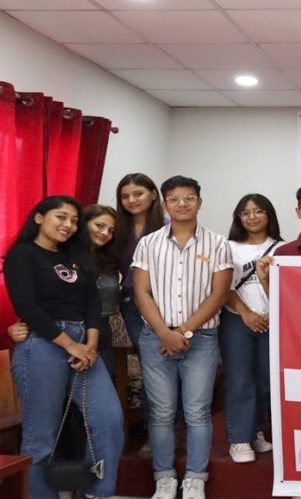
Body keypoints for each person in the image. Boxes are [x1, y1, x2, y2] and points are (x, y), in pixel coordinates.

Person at [3, 195, 124, 499]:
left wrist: (89, 347)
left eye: (73, 220)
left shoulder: (77, 256)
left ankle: (98, 493)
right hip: (43, 346)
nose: (68, 225)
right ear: (39, 217)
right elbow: (28, 308)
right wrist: (71, 346)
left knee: (109, 419)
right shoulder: (22, 255)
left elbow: (93, 306)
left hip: (84, 344)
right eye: (61, 217)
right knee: (41, 438)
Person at [131, 176, 233, 499]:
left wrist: (184, 331)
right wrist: (165, 332)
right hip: (156, 338)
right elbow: (141, 292)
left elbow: (219, 295)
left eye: (189, 198)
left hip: (201, 339)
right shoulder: (148, 243)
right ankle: (164, 477)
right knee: (161, 412)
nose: (182, 204)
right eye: (174, 199)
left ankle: (195, 478)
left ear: (199, 202)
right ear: (164, 204)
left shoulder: (218, 243)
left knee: (197, 412)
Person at [9, 204, 121, 377]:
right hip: (55, 332)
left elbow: (95, 301)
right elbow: (33, 299)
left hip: (97, 329)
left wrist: (91, 344)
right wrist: (20, 324)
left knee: (101, 390)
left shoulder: (110, 260)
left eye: (111, 231)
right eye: (99, 225)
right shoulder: (49, 254)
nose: (105, 233)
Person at [221, 194, 282, 464]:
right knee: (240, 380)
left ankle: (255, 429)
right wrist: (246, 313)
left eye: (258, 211)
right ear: (238, 218)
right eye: (245, 213)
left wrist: (271, 313)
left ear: (269, 215)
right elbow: (222, 287)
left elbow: (288, 286)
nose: (252, 217)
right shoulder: (227, 247)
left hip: (273, 320)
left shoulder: (282, 248)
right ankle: (239, 439)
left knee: (266, 381)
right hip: (237, 320)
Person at [110, 173, 165, 459]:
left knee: (166, 367)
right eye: (125, 196)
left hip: (167, 304)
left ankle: (167, 431)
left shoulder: (168, 226)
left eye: (138, 193)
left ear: (153, 195)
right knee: (150, 366)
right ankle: (153, 434)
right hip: (132, 305)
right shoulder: (116, 229)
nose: (132, 200)